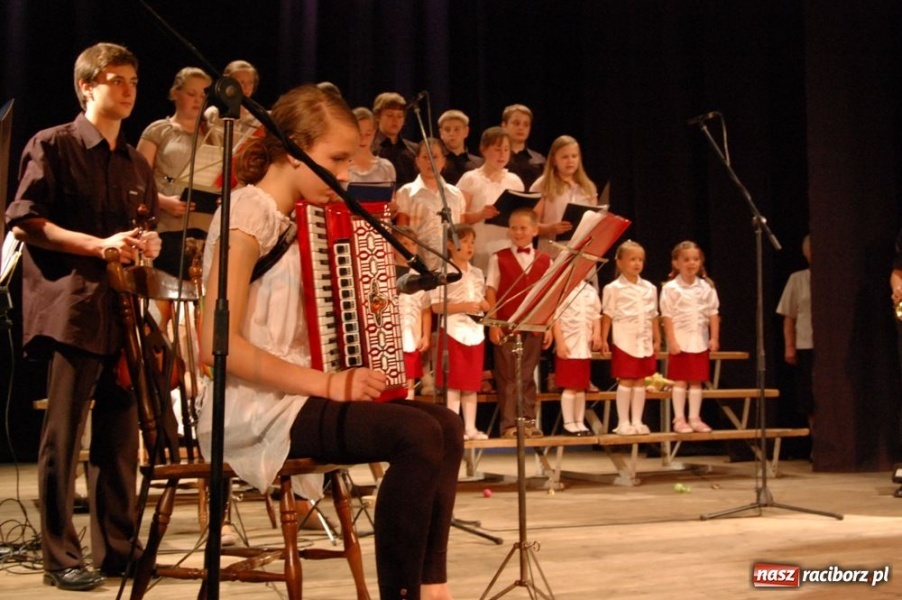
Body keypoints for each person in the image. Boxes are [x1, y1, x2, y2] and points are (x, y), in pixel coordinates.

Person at [196, 84, 461, 600]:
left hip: (298, 394)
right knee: (416, 436)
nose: (344, 175)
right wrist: (331, 382)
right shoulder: (248, 215)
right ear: (293, 147)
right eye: (335, 159)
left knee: (446, 424)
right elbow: (215, 346)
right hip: (253, 406)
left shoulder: (309, 219)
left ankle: (434, 591)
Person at [5, 42, 161, 591]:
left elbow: (134, 230)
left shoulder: (137, 161)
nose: (127, 89)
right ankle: (59, 555)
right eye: (115, 79)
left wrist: (146, 245)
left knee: (120, 438)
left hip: (123, 309)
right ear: (86, 87)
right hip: (73, 305)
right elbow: (25, 221)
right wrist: (99, 246)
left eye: (133, 80)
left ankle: (117, 547)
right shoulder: (54, 143)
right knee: (64, 437)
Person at [137, 66, 221, 278]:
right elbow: (137, 181)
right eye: (191, 94)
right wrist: (164, 202)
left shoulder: (213, 135)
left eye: (203, 95)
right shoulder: (159, 130)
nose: (197, 100)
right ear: (175, 93)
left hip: (207, 229)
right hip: (170, 228)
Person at [486, 207, 553, 438]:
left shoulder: (546, 260)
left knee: (527, 374)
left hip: (534, 326)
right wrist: (493, 323)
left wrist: (549, 324)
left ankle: (528, 421)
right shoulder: (499, 258)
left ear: (534, 230)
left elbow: (548, 295)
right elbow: (491, 291)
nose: (518, 232)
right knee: (507, 376)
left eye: (523, 228)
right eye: (513, 228)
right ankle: (509, 425)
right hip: (506, 325)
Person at [430, 224, 490, 440]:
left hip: (475, 332)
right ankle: (454, 428)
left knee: (471, 385)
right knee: (455, 384)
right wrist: (463, 306)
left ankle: (471, 428)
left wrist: (484, 304)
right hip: (454, 331)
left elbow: (480, 297)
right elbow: (436, 306)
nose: (468, 246)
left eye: (471, 242)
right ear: (449, 244)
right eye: (463, 242)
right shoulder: (443, 273)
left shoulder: (477, 272)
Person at [600, 241, 660, 435]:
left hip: (644, 341)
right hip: (624, 341)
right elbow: (607, 316)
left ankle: (637, 421)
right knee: (626, 380)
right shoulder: (613, 288)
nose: (637, 263)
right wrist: (603, 339)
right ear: (619, 262)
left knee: (641, 381)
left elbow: (653, 315)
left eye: (640, 260)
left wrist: (657, 339)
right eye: (632, 259)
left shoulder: (649, 288)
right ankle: (623, 422)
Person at [660, 241, 721, 433]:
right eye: (686, 259)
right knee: (679, 380)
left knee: (696, 380)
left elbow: (713, 313)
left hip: (699, 340)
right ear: (676, 263)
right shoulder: (670, 288)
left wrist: (714, 338)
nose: (691, 263)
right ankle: (679, 419)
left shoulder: (706, 287)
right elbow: (667, 316)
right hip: (680, 340)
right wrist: (671, 340)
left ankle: (694, 418)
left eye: (695, 259)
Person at [457, 126, 524, 272]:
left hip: (508, 245)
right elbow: (458, 218)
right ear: (484, 149)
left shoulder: (514, 181)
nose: (502, 154)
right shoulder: (471, 179)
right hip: (480, 247)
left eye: (506, 150)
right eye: (497, 149)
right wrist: (480, 214)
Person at [395, 137, 465, 272]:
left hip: (450, 265)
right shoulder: (406, 192)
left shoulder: (456, 194)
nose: (430, 162)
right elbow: (402, 232)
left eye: (435, 157)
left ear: (444, 161)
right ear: (417, 161)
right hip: (419, 265)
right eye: (425, 157)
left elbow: (461, 233)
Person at [530, 135, 600, 257]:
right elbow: (530, 224)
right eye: (564, 157)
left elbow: (595, 221)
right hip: (552, 252)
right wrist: (550, 228)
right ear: (553, 160)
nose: (570, 161)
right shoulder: (542, 185)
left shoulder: (588, 187)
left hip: (582, 253)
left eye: (574, 156)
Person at [552, 277, 602, 435]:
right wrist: (560, 343)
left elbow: (596, 315)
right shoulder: (562, 290)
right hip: (569, 344)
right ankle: (568, 423)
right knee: (570, 387)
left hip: (584, 345)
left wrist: (597, 334)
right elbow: (555, 319)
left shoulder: (590, 291)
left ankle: (580, 422)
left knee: (581, 387)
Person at [776, 234, 814, 430]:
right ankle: (816, 442)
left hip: (832, 348)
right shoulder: (797, 279)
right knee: (809, 396)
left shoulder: (835, 279)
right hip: (806, 344)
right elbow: (789, 317)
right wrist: (789, 346)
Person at [394, 226, 432, 399]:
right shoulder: (385, 273)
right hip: (391, 335)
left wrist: (426, 335)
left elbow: (426, 310)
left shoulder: (419, 277)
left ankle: (409, 402)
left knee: (409, 374)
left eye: (411, 244)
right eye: (403, 244)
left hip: (411, 334)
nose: (408, 248)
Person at [371, 91, 418, 186]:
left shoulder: (414, 149)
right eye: (389, 115)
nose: (395, 120)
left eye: (400, 116)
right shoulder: (369, 147)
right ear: (377, 116)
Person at [501, 104, 545, 191]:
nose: (521, 128)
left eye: (526, 124)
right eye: (516, 123)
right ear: (504, 125)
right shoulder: (497, 157)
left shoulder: (539, 160)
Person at [350, 107, 397, 183]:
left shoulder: (386, 168)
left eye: (368, 134)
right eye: (359, 134)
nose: (363, 139)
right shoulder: (340, 166)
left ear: (374, 133)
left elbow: (390, 194)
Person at [438, 109, 483, 185]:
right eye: (447, 130)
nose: (451, 133)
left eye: (457, 129)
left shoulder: (479, 163)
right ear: (441, 133)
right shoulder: (435, 162)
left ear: (466, 131)